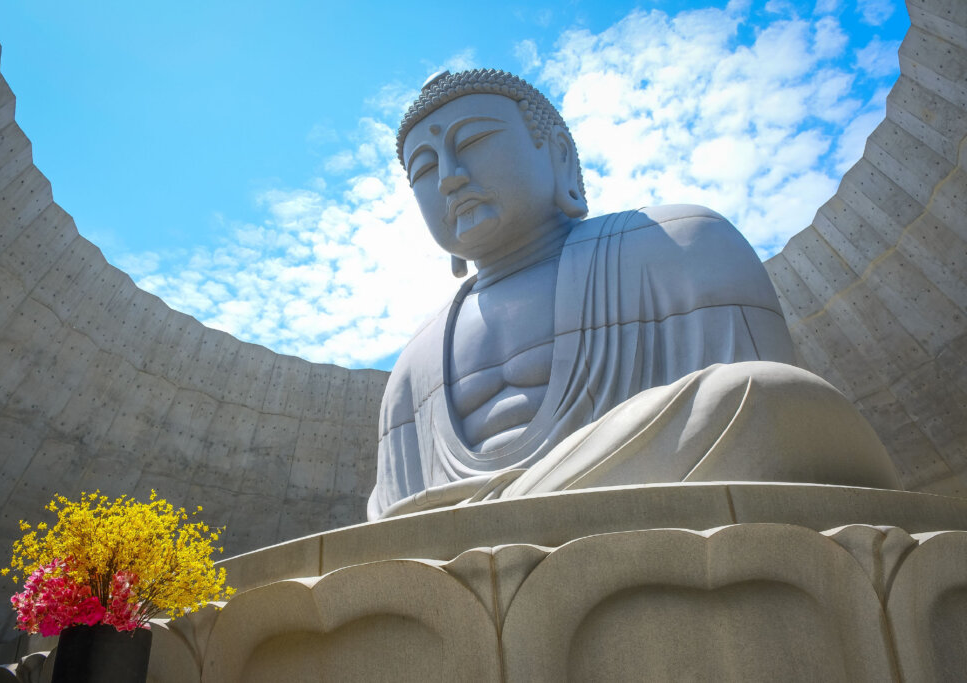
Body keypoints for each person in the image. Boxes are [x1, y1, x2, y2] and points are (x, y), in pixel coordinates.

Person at [367, 69, 901, 520]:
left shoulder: (680, 240)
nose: (450, 179)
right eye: (425, 168)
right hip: (461, 543)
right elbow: (393, 513)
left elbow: (775, 430)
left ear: (556, 155)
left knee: (765, 397)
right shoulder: (413, 365)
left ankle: (501, 526)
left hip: (649, 513)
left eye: (474, 141)